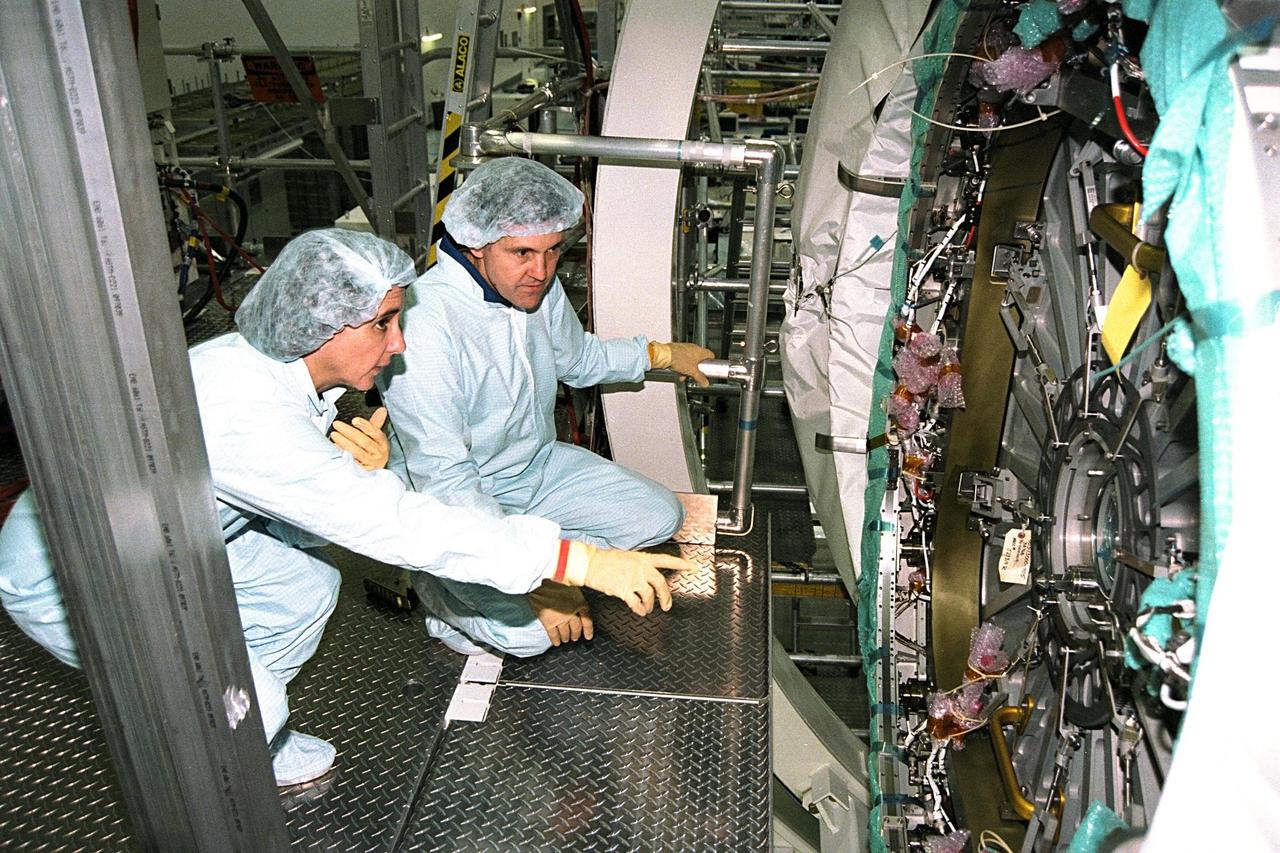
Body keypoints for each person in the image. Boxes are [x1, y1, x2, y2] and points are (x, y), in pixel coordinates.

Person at [0, 228, 691, 789]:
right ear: (327, 325)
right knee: (245, 710)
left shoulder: (265, 363)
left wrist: (349, 468)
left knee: (304, 584)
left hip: (180, 535)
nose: (400, 343)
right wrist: (575, 557)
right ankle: (218, 746)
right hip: (80, 571)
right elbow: (394, 524)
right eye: (385, 323)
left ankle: (227, 705)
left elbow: (267, 500)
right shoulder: (249, 414)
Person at [377, 157, 715, 659]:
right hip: (455, 495)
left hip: (537, 469)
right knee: (532, 636)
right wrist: (540, 575)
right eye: (522, 252)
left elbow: (578, 359)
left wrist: (659, 355)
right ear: (476, 244)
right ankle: (433, 584)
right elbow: (445, 478)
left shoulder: (535, 286)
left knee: (659, 516)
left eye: (554, 251)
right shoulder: (426, 322)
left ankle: (530, 552)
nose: (541, 270)